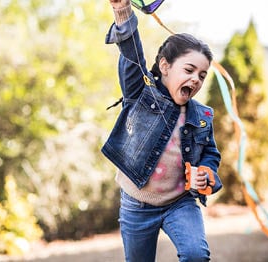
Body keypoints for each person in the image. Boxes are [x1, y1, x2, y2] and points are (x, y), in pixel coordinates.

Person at [103, 0, 223, 261]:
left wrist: (207, 171)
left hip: (179, 202)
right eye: (189, 70)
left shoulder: (201, 116)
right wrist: (122, 12)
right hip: (136, 205)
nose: (196, 79)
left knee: (196, 255)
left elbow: (210, 154)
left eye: (202, 75)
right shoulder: (141, 94)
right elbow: (132, 56)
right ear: (166, 66)